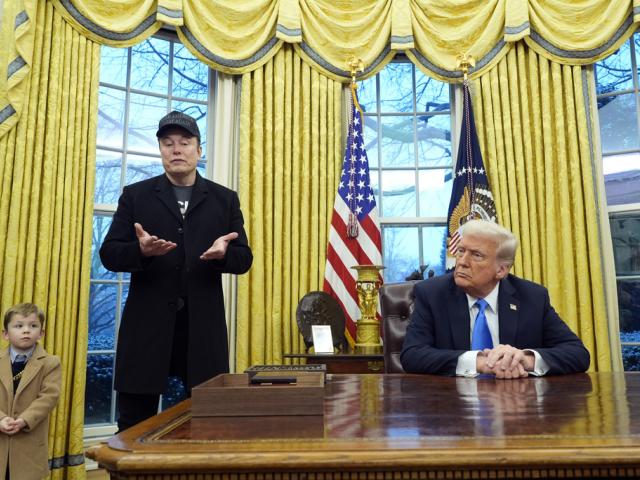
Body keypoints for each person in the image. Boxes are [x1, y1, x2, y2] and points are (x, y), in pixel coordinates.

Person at [99, 111, 253, 431]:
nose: (176, 149)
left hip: (203, 332)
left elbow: (244, 259)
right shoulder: (136, 195)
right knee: (133, 426)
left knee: (207, 423)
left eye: (185, 142)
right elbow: (110, 254)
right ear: (161, 151)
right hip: (146, 329)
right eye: (168, 143)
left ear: (199, 150)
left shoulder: (224, 200)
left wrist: (223, 255)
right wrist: (140, 251)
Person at [401, 219, 590, 378]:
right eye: (460, 251)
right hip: (452, 407)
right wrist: (480, 362)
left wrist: (525, 359)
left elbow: (578, 354)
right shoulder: (432, 294)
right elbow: (412, 355)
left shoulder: (532, 297)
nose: (462, 262)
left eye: (476, 255)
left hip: (517, 409)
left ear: (501, 270)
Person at [0, 303, 62, 480]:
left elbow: (49, 397)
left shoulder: (50, 362)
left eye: (33, 326)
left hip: (29, 442)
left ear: (41, 333)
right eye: (19, 326)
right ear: (5, 333)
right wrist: (1, 418)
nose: (26, 331)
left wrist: (23, 420)